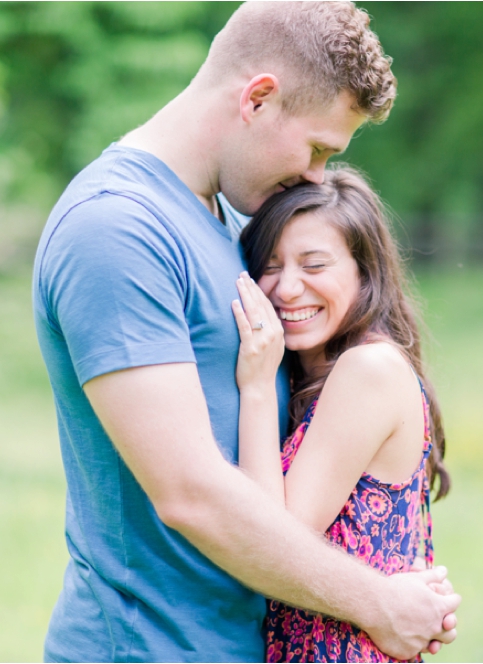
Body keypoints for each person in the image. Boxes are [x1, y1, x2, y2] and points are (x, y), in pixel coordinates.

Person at [32, 2, 459, 662]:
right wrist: (378, 602)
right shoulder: (115, 229)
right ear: (258, 99)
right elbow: (191, 493)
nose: (319, 178)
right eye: (318, 148)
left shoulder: (226, 225)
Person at [231, 165, 451, 663]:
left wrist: (257, 386)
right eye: (270, 264)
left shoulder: (367, 369)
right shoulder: (317, 378)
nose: (287, 288)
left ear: (363, 272)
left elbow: (274, 541)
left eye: (314, 266)